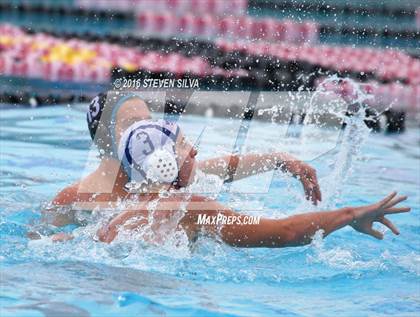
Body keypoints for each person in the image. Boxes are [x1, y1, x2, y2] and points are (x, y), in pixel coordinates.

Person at [94, 119, 410, 246]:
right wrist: (350, 216)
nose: (195, 150)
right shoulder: (191, 209)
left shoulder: (122, 208)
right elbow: (284, 233)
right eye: (185, 146)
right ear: (164, 166)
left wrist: (280, 159)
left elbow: (224, 166)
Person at [48, 92, 322, 228]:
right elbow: (41, 243)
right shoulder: (73, 197)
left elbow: (223, 167)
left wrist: (279, 159)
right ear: (105, 139)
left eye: (147, 121)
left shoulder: (157, 175)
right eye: (133, 123)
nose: (148, 131)